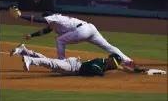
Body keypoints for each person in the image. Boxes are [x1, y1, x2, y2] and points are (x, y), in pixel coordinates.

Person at [9, 6, 133, 65]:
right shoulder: (55, 22)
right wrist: (31, 35)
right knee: (108, 46)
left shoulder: (53, 17)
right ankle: (128, 60)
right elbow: (45, 31)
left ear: (47, 16)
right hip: (90, 28)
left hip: (81, 31)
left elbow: (37, 19)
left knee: (60, 40)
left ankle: (62, 62)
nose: (45, 20)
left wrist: (21, 16)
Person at [10, 44, 149, 76]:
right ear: (110, 58)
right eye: (114, 62)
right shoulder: (99, 63)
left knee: (50, 61)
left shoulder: (111, 64)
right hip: (73, 68)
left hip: (74, 63)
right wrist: (103, 73)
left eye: (116, 63)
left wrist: (135, 71)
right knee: (51, 63)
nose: (115, 65)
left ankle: (24, 50)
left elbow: (122, 68)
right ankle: (29, 58)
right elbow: (97, 72)